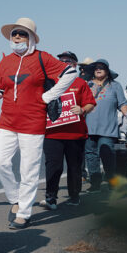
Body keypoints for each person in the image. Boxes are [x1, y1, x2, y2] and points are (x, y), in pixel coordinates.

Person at [0, 18, 76, 229]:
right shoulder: (5, 62)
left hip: (32, 122)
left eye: (22, 34)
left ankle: (24, 213)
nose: (17, 37)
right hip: (7, 120)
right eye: (14, 33)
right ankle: (15, 198)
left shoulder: (43, 58)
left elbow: (70, 73)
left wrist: (49, 95)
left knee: (28, 170)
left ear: (31, 38)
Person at [40, 51, 96, 209]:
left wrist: (83, 109)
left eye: (68, 61)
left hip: (75, 134)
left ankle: (74, 195)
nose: (64, 63)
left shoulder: (80, 83)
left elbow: (91, 103)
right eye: (61, 60)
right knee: (53, 166)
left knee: (74, 167)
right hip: (52, 133)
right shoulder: (48, 81)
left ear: (75, 65)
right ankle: (51, 198)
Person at [85, 59, 127, 192]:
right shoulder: (87, 84)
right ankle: (95, 183)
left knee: (107, 154)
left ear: (107, 71)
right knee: (91, 156)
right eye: (96, 67)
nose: (98, 69)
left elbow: (122, 103)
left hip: (108, 129)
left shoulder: (115, 85)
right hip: (89, 127)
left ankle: (111, 181)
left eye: (101, 67)